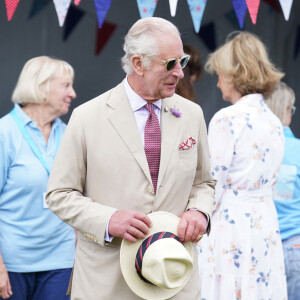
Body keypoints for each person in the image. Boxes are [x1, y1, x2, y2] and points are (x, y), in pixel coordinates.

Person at [46, 17, 216, 300]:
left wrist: (199, 212)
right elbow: (59, 194)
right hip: (107, 283)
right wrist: (108, 219)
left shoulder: (192, 114)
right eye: (171, 63)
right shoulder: (87, 117)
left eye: (182, 62)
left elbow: (204, 184)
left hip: (174, 279)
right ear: (138, 63)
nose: (180, 73)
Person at [197, 32, 288, 299]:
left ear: (234, 74)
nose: (217, 83)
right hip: (265, 228)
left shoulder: (227, 119)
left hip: (231, 230)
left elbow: (212, 185)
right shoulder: (274, 122)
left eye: (220, 74)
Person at [0, 56, 77, 300]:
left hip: (60, 259)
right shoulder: (5, 134)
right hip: (13, 262)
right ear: (42, 87)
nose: (73, 93)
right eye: (65, 85)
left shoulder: (69, 135)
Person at [265, 82, 300, 300]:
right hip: (296, 244)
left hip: (263, 243)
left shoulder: (254, 149)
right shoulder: (297, 149)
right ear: (286, 109)